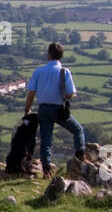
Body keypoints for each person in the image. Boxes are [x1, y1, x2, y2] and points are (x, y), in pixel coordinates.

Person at [24, 42, 86, 176]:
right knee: (78, 129)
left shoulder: (38, 71)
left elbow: (31, 94)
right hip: (59, 110)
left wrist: (27, 110)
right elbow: (70, 94)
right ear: (61, 56)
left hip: (43, 110)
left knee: (46, 141)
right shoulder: (64, 72)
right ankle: (80, 156)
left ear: (49, 55)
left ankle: (46, 170)